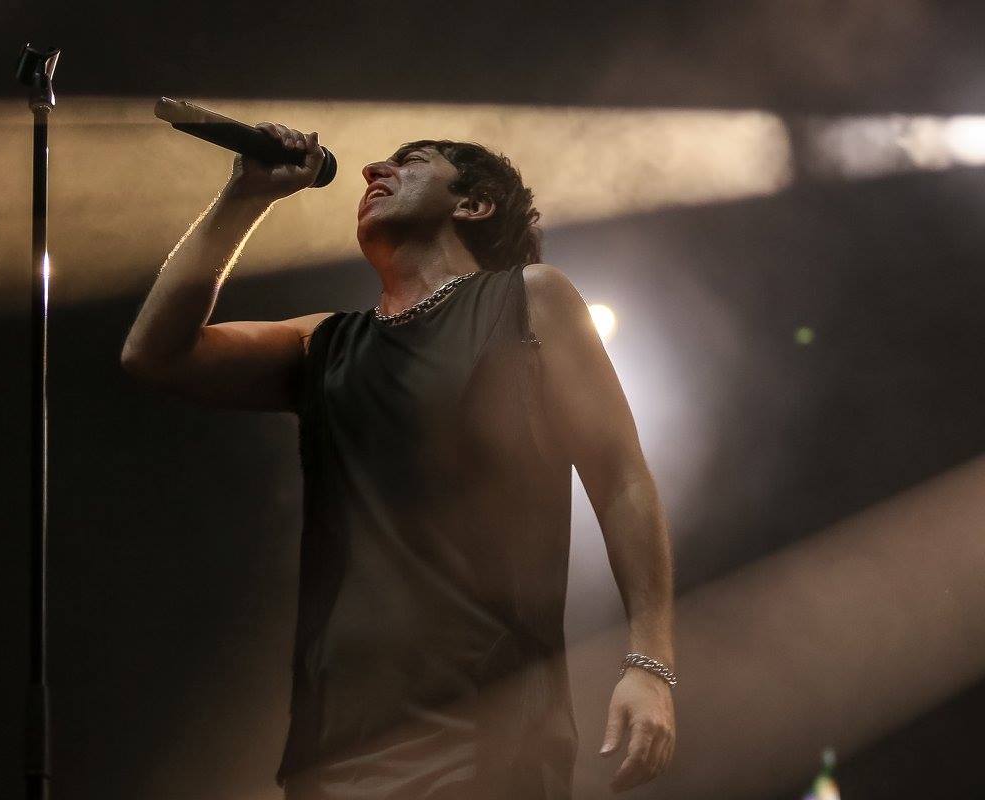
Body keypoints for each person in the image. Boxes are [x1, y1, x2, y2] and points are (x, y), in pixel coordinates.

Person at [121, 122, 677, 798]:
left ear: (474, 204)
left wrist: (650, 662)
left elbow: (620, 478)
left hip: (485, 735)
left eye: (410, 161)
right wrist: (244, 197)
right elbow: (156, 354)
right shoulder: (326, 342)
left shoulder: (529, 299)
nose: (371, 171)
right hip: (334, 746)